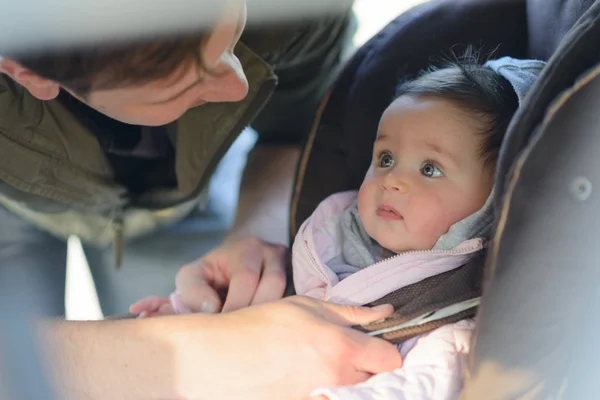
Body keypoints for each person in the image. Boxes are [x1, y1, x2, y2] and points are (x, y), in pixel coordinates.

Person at [131, 53, 546, 399]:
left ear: (495, 200)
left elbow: (417, 386)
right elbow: (256, 303)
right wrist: (183, 315)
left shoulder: (452, 319)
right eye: (385, 159)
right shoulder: (331, 241)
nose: (393, 179)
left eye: (430, 168)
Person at [0, 0, 354, 316]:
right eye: (187, 84)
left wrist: (253, 234)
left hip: (177, 205)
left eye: (234, 35)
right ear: (28, 76)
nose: (240, 88)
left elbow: (297, 127)